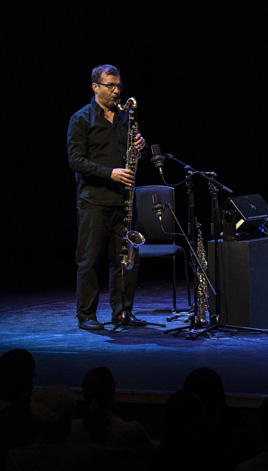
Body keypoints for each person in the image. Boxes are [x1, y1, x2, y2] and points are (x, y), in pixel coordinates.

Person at [67, 64, 147, 330]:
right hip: (94, 201)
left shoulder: (126, 117)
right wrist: (109, 173)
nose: (116, 91)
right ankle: (87, 315)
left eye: (118, 86)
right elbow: (75, 160)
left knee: (124, 259)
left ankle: (122, 312)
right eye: (110, 86)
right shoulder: (81, 119)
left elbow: (130, 157)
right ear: (95, 87)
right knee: (89, 261)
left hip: (123, 200)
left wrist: (140, 147)